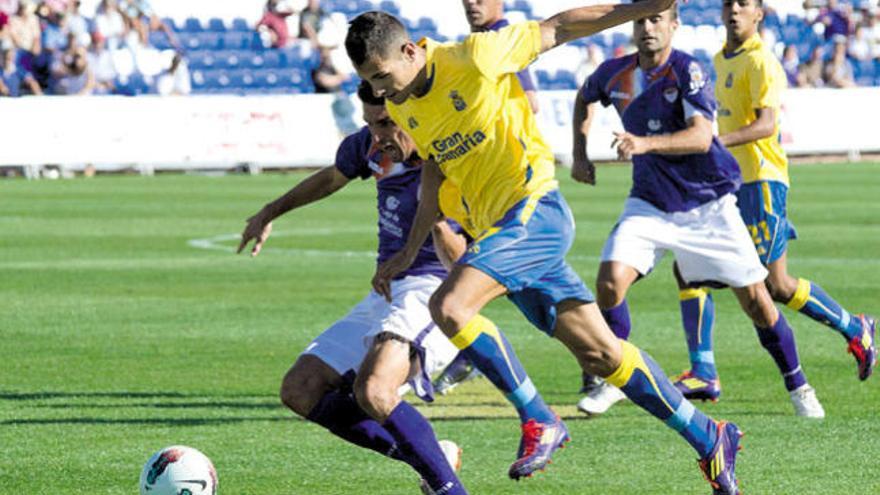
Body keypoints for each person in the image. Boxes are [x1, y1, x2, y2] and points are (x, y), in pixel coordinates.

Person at [346, 3, 742, 492]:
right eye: (371, 82)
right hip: (505, 234)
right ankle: (709, 436)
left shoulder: (475, 56)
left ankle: (539, 418)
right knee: (602, 355)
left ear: (409, 51)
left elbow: (559, 27)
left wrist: (639, 7)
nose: (380, 92)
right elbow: (434, 169)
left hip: (536, 212)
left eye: (382, 76)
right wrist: (410, 250)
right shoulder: (405, 104)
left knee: (449, 306)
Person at [238, 82, 474, 495]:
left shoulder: (452, 156)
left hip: (435, 293)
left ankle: (449, 489)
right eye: (369, 124)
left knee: (375, 389)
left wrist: (436, 223)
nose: (377, 136)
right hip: (386, 293)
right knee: (300, 389)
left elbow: (465, 263)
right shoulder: (372, 147)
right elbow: (332, 177)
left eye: (384, 123)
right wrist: (270, 210)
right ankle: (429, 455)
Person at [671, 0, 874, 404]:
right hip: (731, 183)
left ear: (759, 14)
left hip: (763, 180)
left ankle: (853, 328)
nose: (734, 11)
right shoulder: (719, 58)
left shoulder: (762, 61)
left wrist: (714, 143)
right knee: (692, 270)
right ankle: (703, 370)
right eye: (728, 4)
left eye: (743, 4)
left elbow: (766, 124)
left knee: (771, 285)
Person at [432, 0, 546, 396]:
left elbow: (529, 101)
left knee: (540, 291)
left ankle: (600, 361)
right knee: (444, 230)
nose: (472, 3)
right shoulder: (473, 43)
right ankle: (469, 338)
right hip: (476, 176)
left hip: (507, 175)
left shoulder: (501, 38)